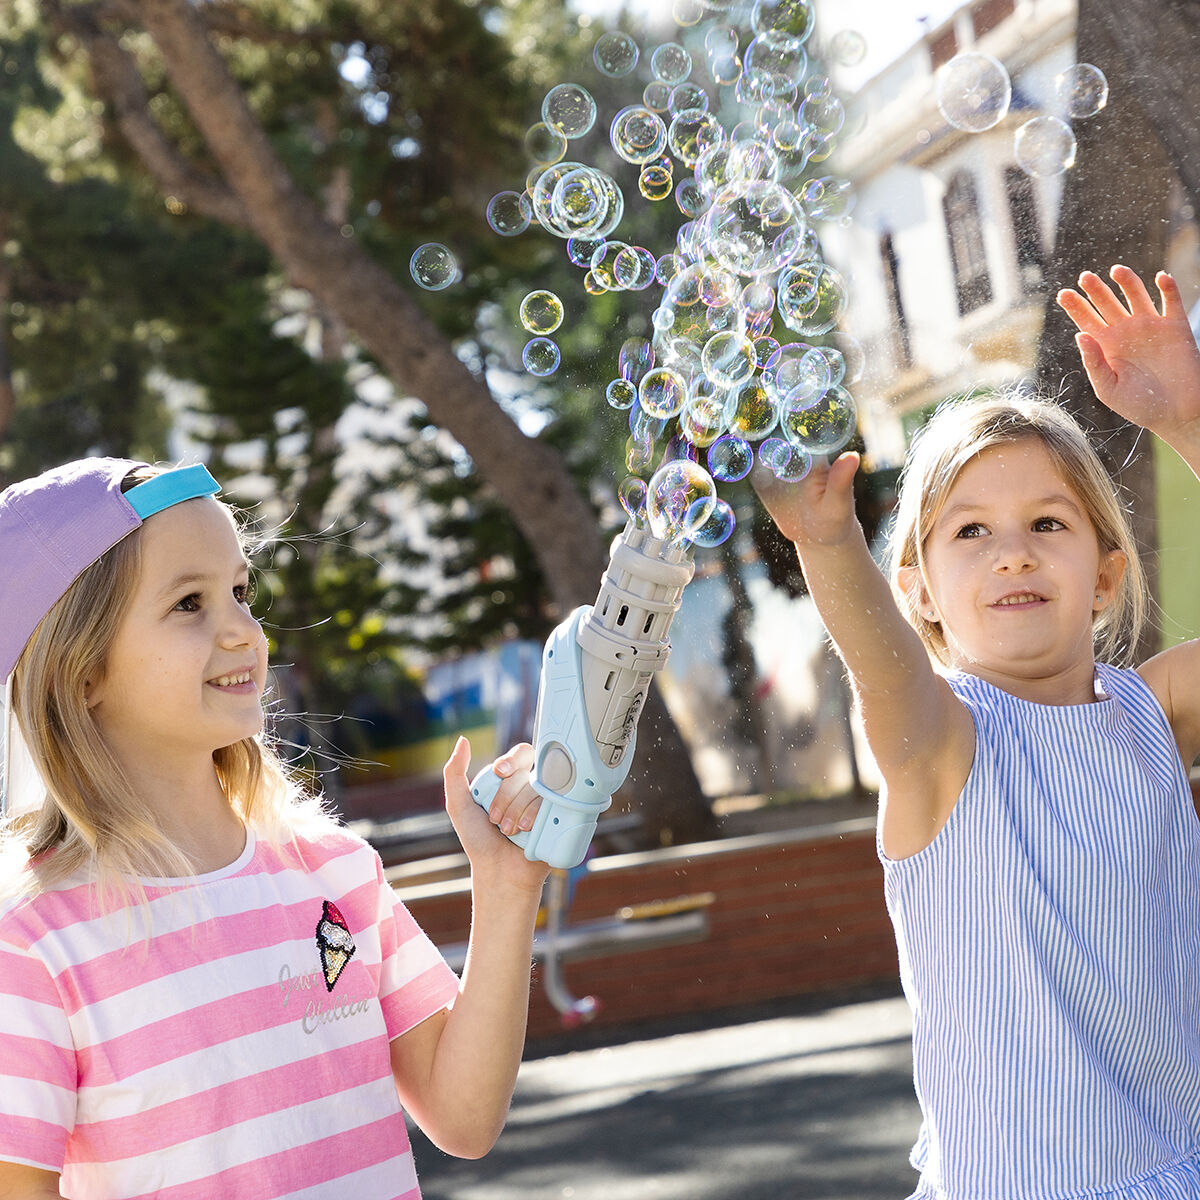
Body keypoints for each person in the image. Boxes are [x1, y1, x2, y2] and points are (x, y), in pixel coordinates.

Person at [757, 265, 1200, 1198]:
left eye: (1048, 522)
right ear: (916, 592)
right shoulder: (943, 749)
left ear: (1107, 576)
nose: (1014, 551)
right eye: (969, 533)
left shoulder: (1152, 717)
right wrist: (829, 546)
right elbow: (885, 671)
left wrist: (1187, 420)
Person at [0, 457, 548, 1199]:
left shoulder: (337, 871)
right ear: (82, 672)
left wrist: (508, 885)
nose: (243, 632)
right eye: (189, 603)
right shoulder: (32, 944)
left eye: (239, 591)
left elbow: (465, 1117)